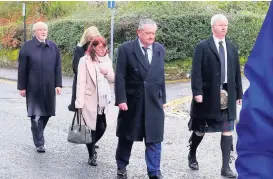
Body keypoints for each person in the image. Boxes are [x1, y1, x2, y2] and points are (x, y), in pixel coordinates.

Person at [188, 14, 243, 178]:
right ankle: (192, 154)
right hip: (207, 95)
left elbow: (236, 74)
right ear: (213, 27)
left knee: (227, 129)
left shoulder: (232, 47)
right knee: (200, 130)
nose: (224, 27)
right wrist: (197, 92)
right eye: (221, 25)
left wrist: (239, 93)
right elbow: (196, 71)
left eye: (226, 25)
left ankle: (225, 167)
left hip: (228, 95)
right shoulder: (202, 46)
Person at [114, 19, 166, 179]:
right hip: (132, 101)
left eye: (153, 33)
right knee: (127, 135)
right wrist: (121, 99)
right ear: (138, 32)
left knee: (154, 137)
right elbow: (120, 76)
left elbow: (160, 76)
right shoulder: (126, 49)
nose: (151, 36)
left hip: (153, 101)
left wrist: (163, 99)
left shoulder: (159, 49)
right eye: (148, 33)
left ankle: (154, 171)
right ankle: (121, 166)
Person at [17, 21, 62, 153]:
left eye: (45, 30)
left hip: (48, 86)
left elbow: (57, 67)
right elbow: (22, 68)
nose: (43, 32)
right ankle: (39, 143)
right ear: (35, 32)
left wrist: (58, 84)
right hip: (33, 87)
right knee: (36, 115)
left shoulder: (53, 47)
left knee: (47, 113)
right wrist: (22, 87)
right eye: (40, 30)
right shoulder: (27, 47)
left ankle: (38, 131)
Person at [75, 36, 114, 166]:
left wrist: (107, 71)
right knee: (90, 128)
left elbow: (112, 79)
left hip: (103, 99)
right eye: (100, 47)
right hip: (89, 99)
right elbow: (81, 82)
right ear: (93, 48)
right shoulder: (84, 60)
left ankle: (91, 145)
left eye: (105, 47)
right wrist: (79, 103)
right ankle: (91, 154)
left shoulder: (107, 59)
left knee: (102, 126)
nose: (103, 50)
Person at [68, 26, 101, 112]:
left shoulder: (101, 48)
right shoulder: (80, 49)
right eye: (90, 39)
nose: (92, 41)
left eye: (94, 38)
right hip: (82, 83)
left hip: (97, 84)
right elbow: (75, 68)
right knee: (82, 112)